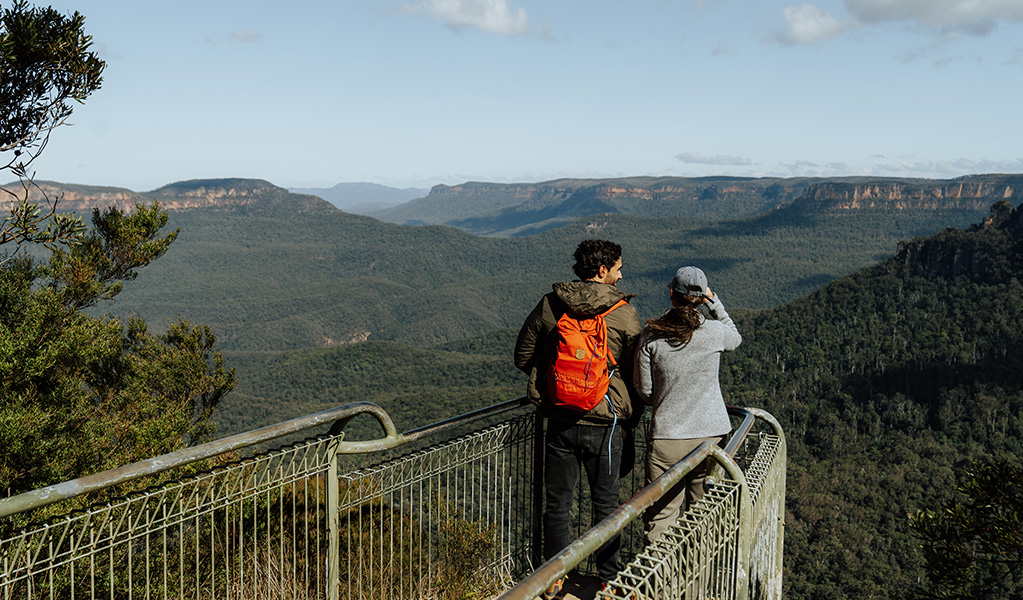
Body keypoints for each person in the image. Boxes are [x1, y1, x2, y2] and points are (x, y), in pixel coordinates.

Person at [514, 239, 642, 596]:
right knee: (607, 506)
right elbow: (636, 373)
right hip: (606, 423)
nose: (621, 274)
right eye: (618, 268)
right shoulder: (623, 312)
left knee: (557, 504)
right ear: (602, 271)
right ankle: (609, 580)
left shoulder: (551, 303)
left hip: (559, 420)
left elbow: (522, 355)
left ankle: (552, 577)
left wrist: (556, 381)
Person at [633, 266, 742, 545]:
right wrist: (714, 302)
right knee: (703, 518)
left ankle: (659, 586)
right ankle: (696, 584)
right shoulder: (715, 332)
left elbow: (645, 390)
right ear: (701, 297)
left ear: (672, 293)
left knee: (661, 518)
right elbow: (735, 336)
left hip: (667, 441)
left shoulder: (651, 336)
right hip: (711, 440)